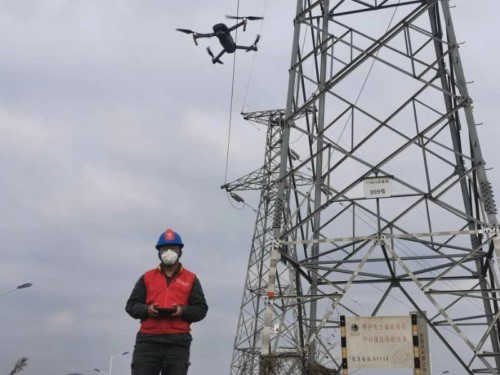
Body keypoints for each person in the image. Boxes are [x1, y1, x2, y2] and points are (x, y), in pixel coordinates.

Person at [126, 228, 208, 375]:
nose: (169, 252)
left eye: (173, 248)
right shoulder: (147, 277)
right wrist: (147, 310)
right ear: (158, 252)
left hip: (178, 343)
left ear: (180, 252)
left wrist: (183, 311)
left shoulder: (191, 279)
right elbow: (131, 306)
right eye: (165, 248)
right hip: (148, 342)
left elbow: (201, 309)